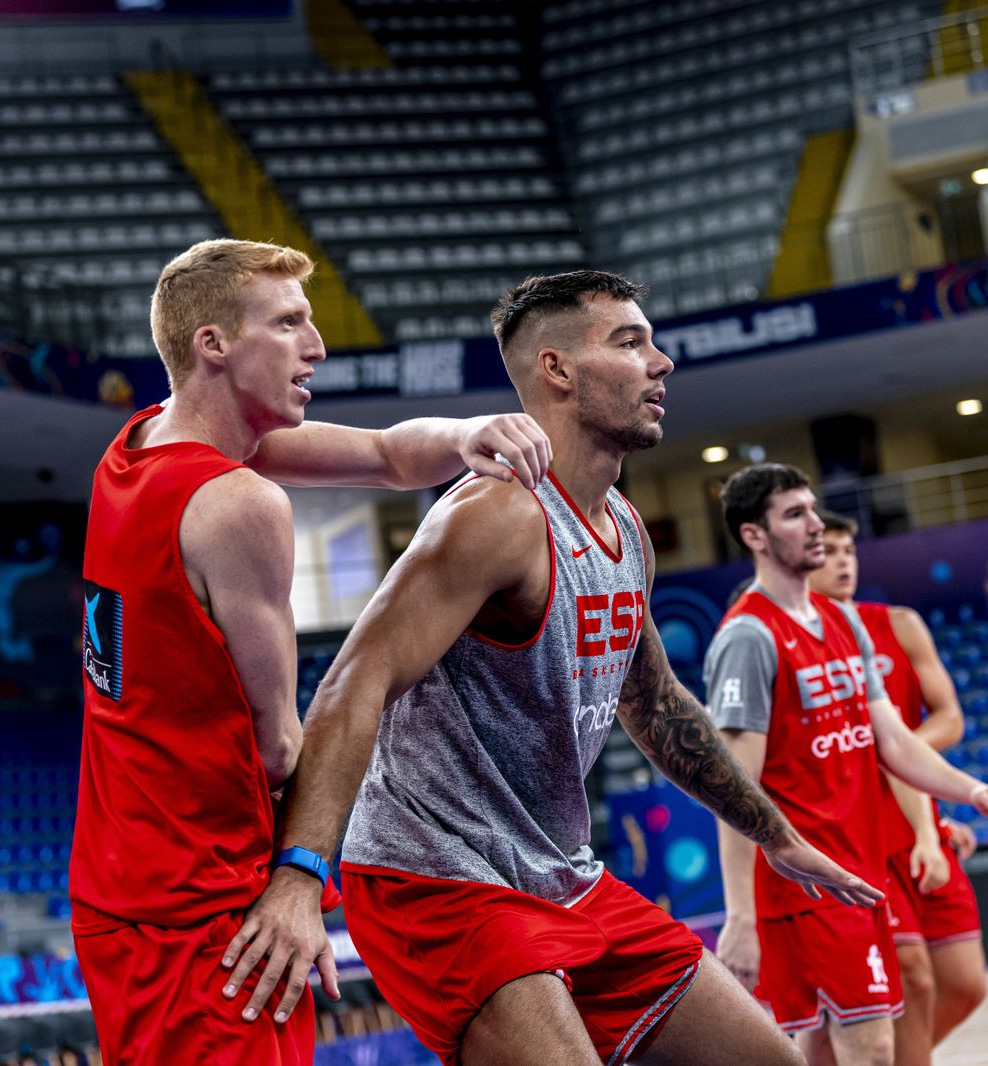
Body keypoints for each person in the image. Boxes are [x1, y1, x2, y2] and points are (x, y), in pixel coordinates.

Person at [224, 270, 888, 1066]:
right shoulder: (495, 513)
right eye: (630, 342)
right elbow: (354, 681)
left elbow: (655, 705)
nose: (661, 362)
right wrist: (300, 877)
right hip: (437, 879)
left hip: (560, 872)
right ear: (558, 371)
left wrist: (775, 834)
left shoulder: (626, 532)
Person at [71, 238, 553, 1065]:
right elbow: (276, 747)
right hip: (207, 908)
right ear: (213, 344)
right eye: (289, 323)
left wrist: (471, 430)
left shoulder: (137, 446)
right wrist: (300, 880)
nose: (317, 347)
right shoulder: (238, 504)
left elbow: (386, 456)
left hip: (119, 886)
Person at [704, 463, 988, 1066]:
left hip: (858, 873)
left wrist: (971, 790)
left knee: (821, 1048)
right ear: (754, 536)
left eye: (812, 509)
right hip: (806, 884)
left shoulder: (844, 621)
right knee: (871, 1049)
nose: (815, 526)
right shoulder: (747, 636)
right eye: (794, 514)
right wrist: (740, 915)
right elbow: (733, 789)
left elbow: (895, 741)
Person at [808, 512, 988, 1066]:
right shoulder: (788, 639)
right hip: (856, 838)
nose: (842, 561)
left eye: (849, 550)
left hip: (919, 822)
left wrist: (894, 749)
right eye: (829, 551)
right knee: (912, 979)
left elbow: (950, 720)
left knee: (966, 984)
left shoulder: (898, 624)